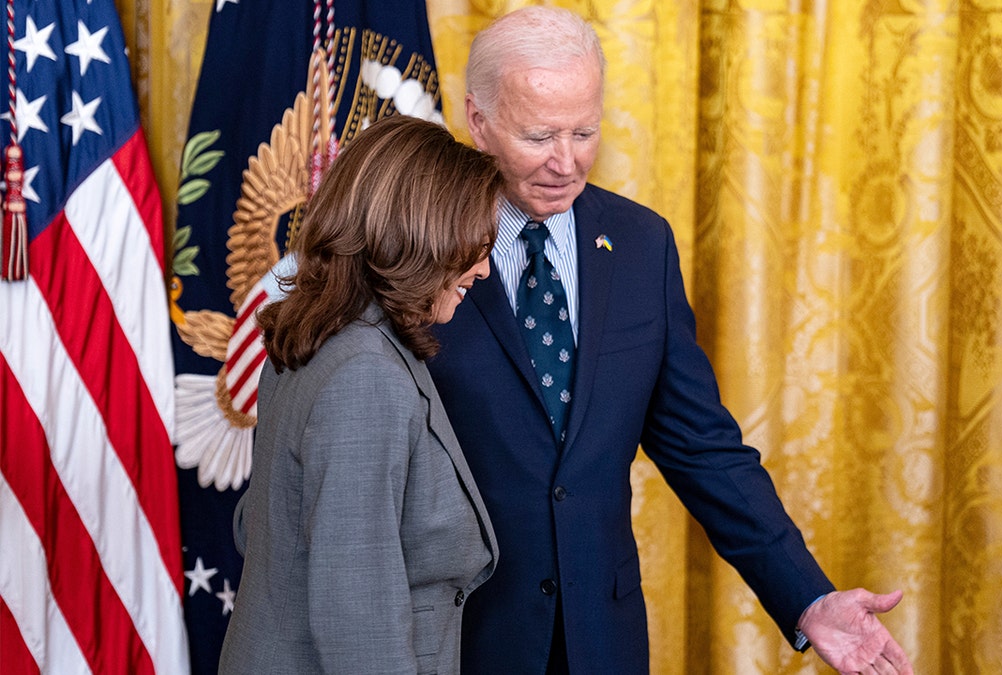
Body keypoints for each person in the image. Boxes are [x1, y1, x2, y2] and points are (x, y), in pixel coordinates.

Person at [425, 6, 914, 675]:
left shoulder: (639, 244)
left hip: (603, 640)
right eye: (538, 135)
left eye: (585, 132)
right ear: (477, 120)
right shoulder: (416, 250)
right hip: (458, 638)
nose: (566, 162)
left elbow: (703, 447)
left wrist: (808, 598)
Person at [218, 114, 504, 674]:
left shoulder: (320, 335)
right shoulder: (364, 374)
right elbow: (357, 619)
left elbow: (261, 522)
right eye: (476, 243)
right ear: (420, 233)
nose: (486, 268)